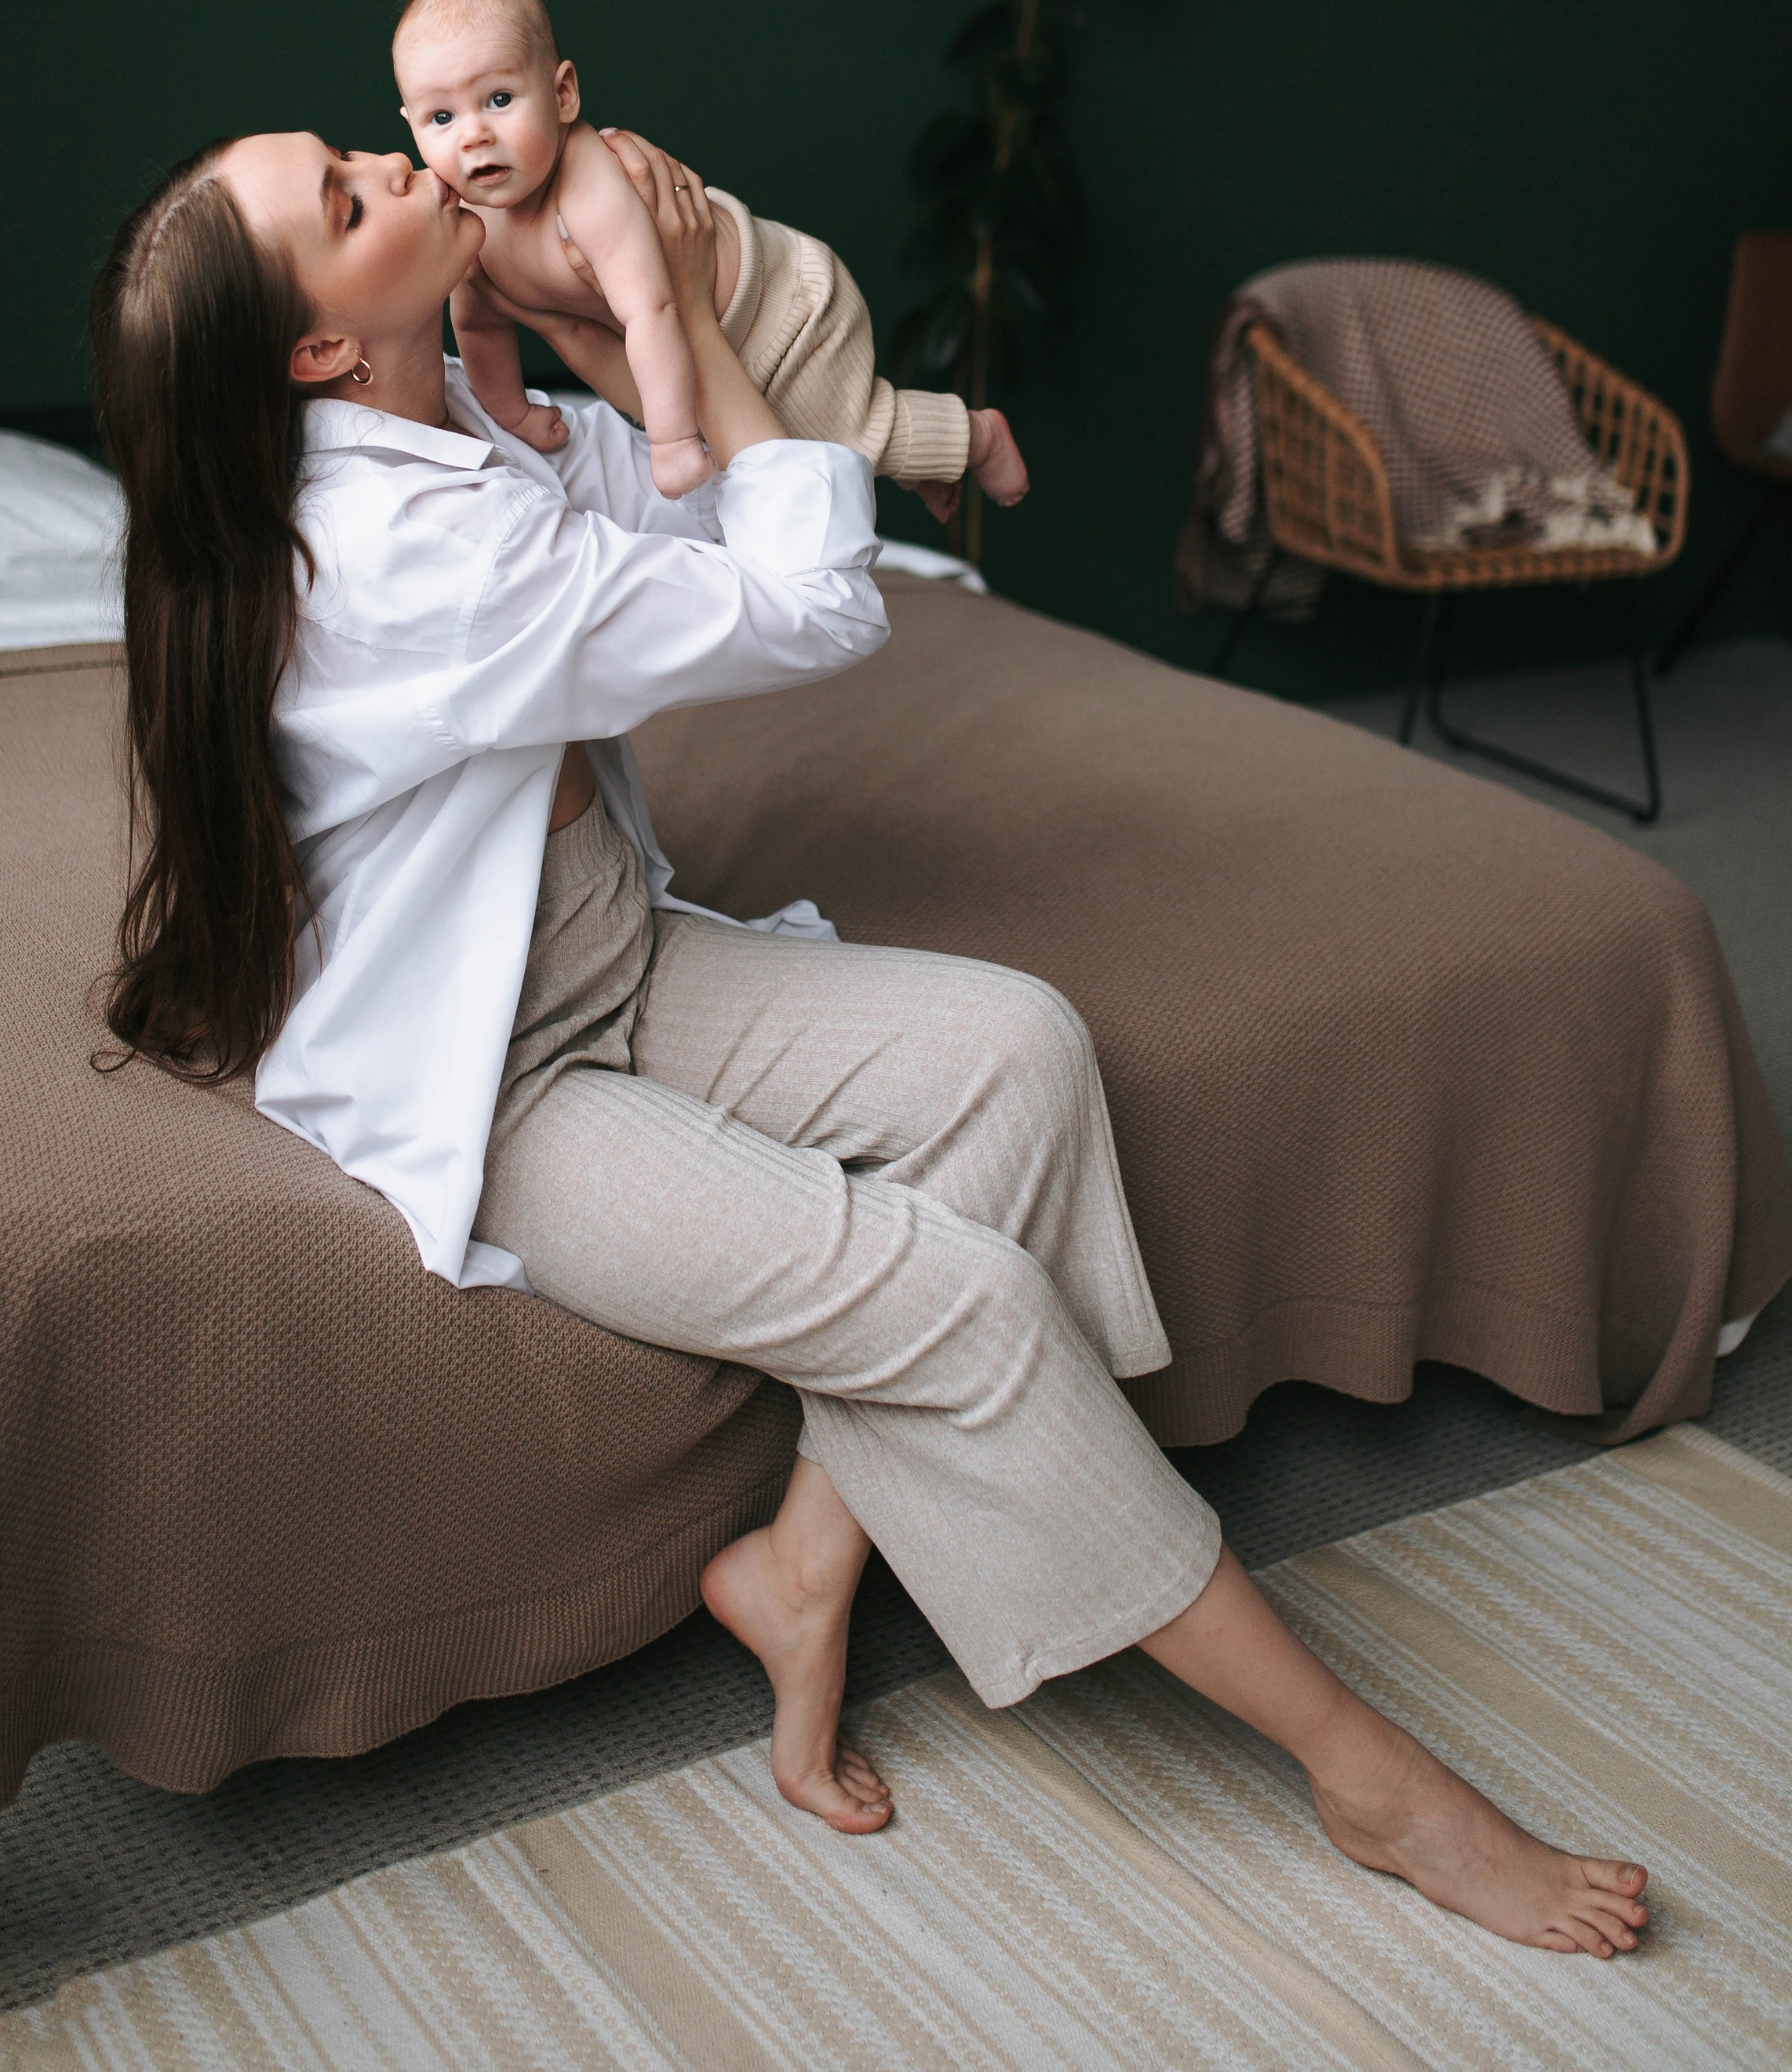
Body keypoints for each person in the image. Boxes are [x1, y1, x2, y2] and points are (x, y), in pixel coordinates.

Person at [88, 122, 1651, 1959]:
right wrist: (685, 316)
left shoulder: (453, 424)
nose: (393, 158)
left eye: (352, 151)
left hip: (610, 955)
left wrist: (621, 344)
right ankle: (1365, 1774)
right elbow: (811, 600)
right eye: (345, 201)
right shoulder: (395, 548)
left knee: (1017, 1049)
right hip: (505, 1079)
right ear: (312, 349)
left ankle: (800, 1565)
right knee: (961, 1302)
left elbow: (690, 504)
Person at [391, 0, 1028, 519]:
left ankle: (976, 435)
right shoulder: (466, 223)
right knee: (799, 451)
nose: (472, 135)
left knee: (838, 440)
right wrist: (513, 414)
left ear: (563, 94)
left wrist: (671, 444)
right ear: (410, 123)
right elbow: (476, 325)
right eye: (441, 116)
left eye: (500, 99)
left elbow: (653, 309)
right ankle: (919, 463)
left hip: (780, 307)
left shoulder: (586, 186)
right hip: (707, 348)